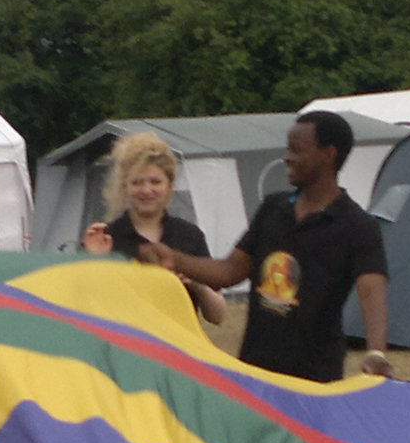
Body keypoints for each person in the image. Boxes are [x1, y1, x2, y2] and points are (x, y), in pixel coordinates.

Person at [135, 112, 391, 383]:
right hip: (256, 371)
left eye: (297, 150)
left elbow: (371, 292)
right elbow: (230, 271)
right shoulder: (273, 209)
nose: (287, 158)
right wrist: (174, 259)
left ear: (328, 154)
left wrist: (376, 352)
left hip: (315, 378)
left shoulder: (357, 225)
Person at [79, 130, 225, 329]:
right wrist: (95, 262)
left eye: (155, 182)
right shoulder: (106, 240)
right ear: (124, 186)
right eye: (137, 182)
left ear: (170, 185)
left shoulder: (190, 236)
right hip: (126, 345)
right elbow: (86, 309)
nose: (146, 191)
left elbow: (218, 316)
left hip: (179, 345)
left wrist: (197, 284)